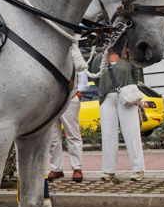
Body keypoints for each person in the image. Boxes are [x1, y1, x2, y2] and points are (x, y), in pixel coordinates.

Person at [97, 49, 146, 182]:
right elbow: (96, 78)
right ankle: (108, 170)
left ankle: (138, 169)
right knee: (108, 134)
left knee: (132, 133)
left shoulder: (128, 56)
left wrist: (129, 89)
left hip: (126, 96)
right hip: (106, 98)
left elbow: (137, 75)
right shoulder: (99, 58)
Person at [48, 44, 90, 183]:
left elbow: (81, 69)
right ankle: (56, 168)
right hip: (52, 100)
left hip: (70, 98)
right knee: (53, 137)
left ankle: (77, 168)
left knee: (73, 134)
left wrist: (80, 93)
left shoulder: (71, 47)